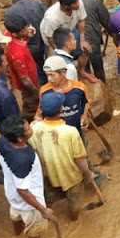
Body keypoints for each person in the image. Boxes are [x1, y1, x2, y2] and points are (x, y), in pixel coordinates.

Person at [29, 91, 94, 221]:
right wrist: (87, 173)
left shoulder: (34, 127)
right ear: (60, 110)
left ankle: (47, 217)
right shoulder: (70, 132)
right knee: (74, 203)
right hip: (71, 176)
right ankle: (74, 220)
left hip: (47, 174)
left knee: (48, 198)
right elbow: (80, 159)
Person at [0, 115, 55, 238]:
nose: (31, 129)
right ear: (20, 139)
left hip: (12, 196)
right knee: (34, 228)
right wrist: (42, 209)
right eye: (28, 128)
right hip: (30, 204)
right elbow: (23, 190)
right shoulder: (23, 160)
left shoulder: (3, 141)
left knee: (15, 215)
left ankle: (16, 235)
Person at [39, 0, 96, 82]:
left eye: (77, 1)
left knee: (85, 49)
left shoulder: (78, 4)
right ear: (66, 6)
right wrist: (58, 51)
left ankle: (81, 71)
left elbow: (81, 21)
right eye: (75, 3)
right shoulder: (52, 18)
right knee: (56, 64)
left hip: (69, 29)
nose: (78, 4)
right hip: (53, 37)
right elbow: (49, 37)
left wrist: (82, 40)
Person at [6, 0, 48, 85]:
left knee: (33, 70)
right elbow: (47, 20)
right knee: (43, 68)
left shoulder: (10, 12)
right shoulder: (37, 3)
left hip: (25, 48)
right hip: (42, 43)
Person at [38, 56, 90, 133]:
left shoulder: (79, 88)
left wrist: (84, 117)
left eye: (52, 75)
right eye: (47, 75)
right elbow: (40, 112)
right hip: (55, 133)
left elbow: (86, 103)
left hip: (76, 130)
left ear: (63, 72)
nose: (49, 79)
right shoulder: (44, 91)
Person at [4, 14, 39, 122]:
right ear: (15, 33)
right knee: (31, 106)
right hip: (28, 85)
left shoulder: (9, 34)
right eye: (23, 30)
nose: (26, 30)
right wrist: (35, 91)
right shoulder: (17, 54)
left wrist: (27, 35)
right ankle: (27, 123)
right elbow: (25, 79)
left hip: (28, 73)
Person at [78, 0, 111, 81]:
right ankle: (103, 89)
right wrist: (111, 31)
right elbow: (106, 20)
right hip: (92, 39)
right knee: (98, 67)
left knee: (83, 67)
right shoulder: (95, 0)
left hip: (78, 39)